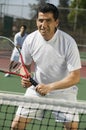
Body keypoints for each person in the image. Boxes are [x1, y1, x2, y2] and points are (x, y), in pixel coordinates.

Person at [11, 3, 81, 130]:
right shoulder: (30, 40)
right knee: (16, 126)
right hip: (36, 90)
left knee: (72, 128)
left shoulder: (68, 42)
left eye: (48, 20)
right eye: (40, 20)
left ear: (56, 22)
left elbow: (75, 78)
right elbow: (25, 65)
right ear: (37, 21)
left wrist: (50, 87)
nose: (43, 25)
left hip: (64, 93)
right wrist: (25, 76)